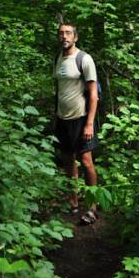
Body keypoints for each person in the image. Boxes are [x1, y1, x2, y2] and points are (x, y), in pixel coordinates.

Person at [53, 22, 99, 225]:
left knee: (86, 161)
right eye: (61, 33)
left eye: (68, 33)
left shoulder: (84, 59)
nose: (64, 36)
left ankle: (92, 206)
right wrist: (55, 116)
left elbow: (93, 95)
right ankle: (73, 201)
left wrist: (89, 124)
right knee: (68, 160)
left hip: (81, 118)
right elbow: (59, 90)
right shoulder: (58, 59)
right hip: (63, 118)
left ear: (75, 37)